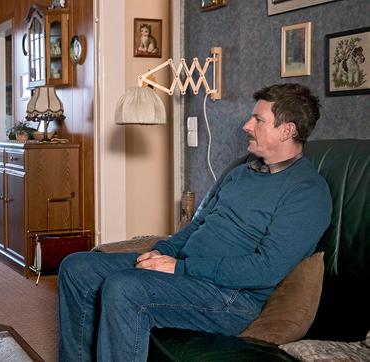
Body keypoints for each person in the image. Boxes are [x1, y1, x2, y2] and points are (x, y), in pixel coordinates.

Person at [58, 83, 332, 361]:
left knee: (125, 288)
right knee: (77, 267)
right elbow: (197, 223)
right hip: (188, 273)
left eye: (259, 120)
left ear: (288, 130)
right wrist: (165, 251)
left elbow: (265, 269)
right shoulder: (242, 172)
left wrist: (180, 268)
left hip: (231, 297)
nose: (247, 125)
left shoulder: (307, 192)